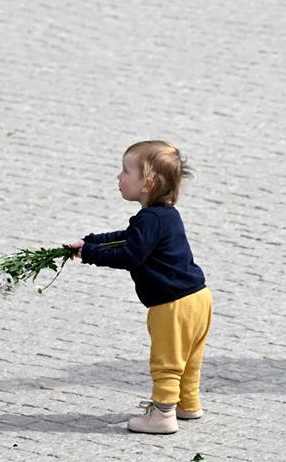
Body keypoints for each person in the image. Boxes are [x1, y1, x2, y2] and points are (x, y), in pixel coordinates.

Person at [70, 141, 212, 434]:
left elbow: (130, 254)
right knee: (189, 358)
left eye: (125, 171)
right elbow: (129, 237)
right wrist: (92, 241)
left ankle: (162, 414)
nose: (118, 177)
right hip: (199, 297)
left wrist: (90, 255)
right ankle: (188, 404)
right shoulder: (165, 214)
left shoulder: (150, 219)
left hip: (172, 305)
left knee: (167, 361)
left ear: (146, 183)